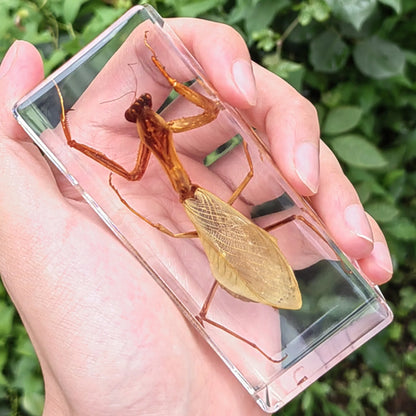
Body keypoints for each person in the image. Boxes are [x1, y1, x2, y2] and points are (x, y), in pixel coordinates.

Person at [0, 18, 392, 415]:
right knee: (264, 197)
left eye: (144, 112)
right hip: (200, 207)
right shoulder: (159, 151)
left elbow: (144, 163)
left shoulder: (148, 159)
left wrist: (74, 132)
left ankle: (267, 344)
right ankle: (262, 352)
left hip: (201, 206)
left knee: (270, 196)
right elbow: (202, 117)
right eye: (142, 114)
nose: (144, 114)